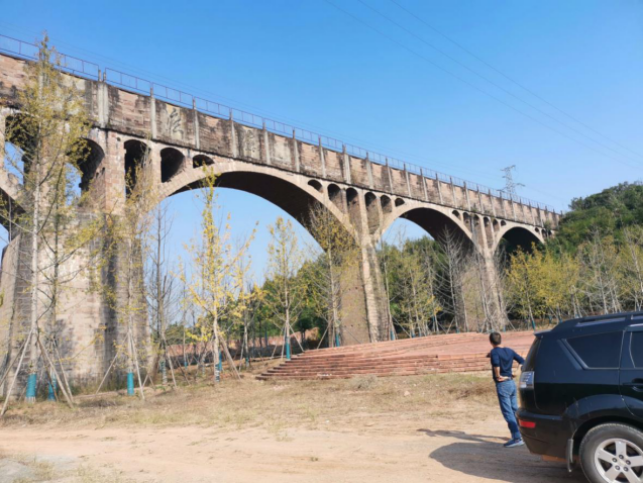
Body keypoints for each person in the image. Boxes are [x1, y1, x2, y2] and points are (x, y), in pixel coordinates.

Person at [489, 332, 526, 448]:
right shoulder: (509, 350)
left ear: (491, 341)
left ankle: (516, 438)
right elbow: (522, 361)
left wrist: (498, 375)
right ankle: (523, 434)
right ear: (500, 339)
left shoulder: (494, 352)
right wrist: (516, 372)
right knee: (515, 409)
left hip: (503, 385)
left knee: (508, 412)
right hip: (511, 383)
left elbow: (496, 364)